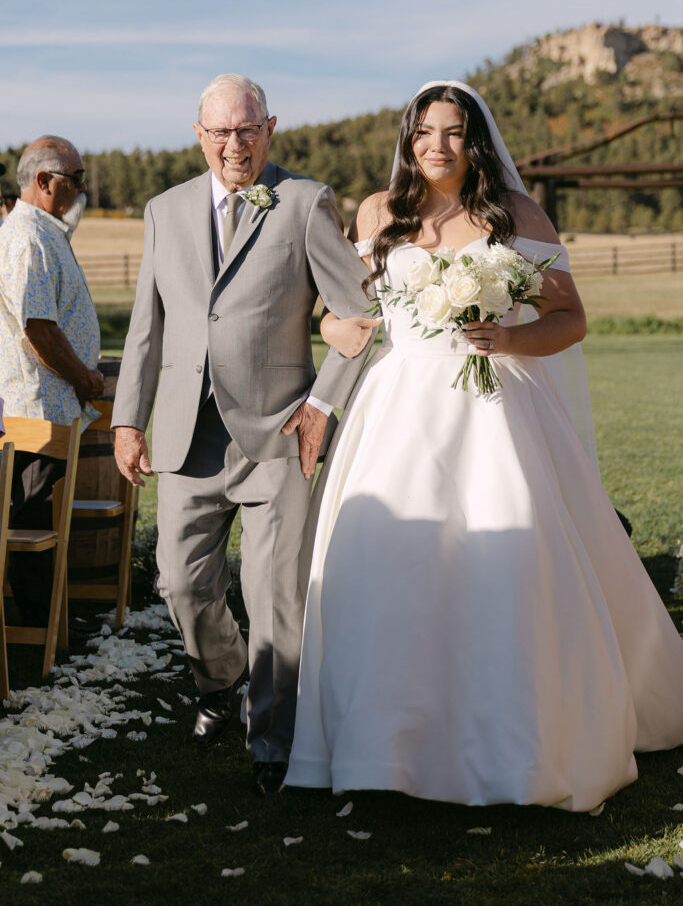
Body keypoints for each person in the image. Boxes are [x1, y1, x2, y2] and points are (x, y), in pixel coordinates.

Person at [285, 81, 683, 811]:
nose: (437, 146)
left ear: (476, 143)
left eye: (454, 133)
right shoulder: (378, 213)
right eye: (424, 133)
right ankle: (384, 751)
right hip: (397, 411)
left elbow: (569, 318)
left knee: (506, 564)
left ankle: (515, 747)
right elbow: (342, 313)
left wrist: (507, 337)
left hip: (495, 406)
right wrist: (329, 330)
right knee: (388, 568)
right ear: (408, 140)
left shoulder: (515, 214)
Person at [112, 74, 372, 795]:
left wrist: (322, 406)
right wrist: (128, 418)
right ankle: (218, 680)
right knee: (179, 584)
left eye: (248, 130)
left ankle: (273, 745)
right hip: (185, 439)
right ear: (199, 135)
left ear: (270, 128)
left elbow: (359, 317)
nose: (235, 145)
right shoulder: (163, 211)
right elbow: (147, 327)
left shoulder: (304, 202)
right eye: (221, 132)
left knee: (274, 596)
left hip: (278, 436)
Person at [0, 136, 103, 630]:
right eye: (76, 178)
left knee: (41, 515)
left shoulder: (44, 230)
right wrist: (84, 377)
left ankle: (51, 620)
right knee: (32, 519)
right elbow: (37, 325)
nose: (82, 187)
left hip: (49, 406)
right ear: (44, 181)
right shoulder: (27, 235)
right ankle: (40, 629)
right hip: (36, 410)